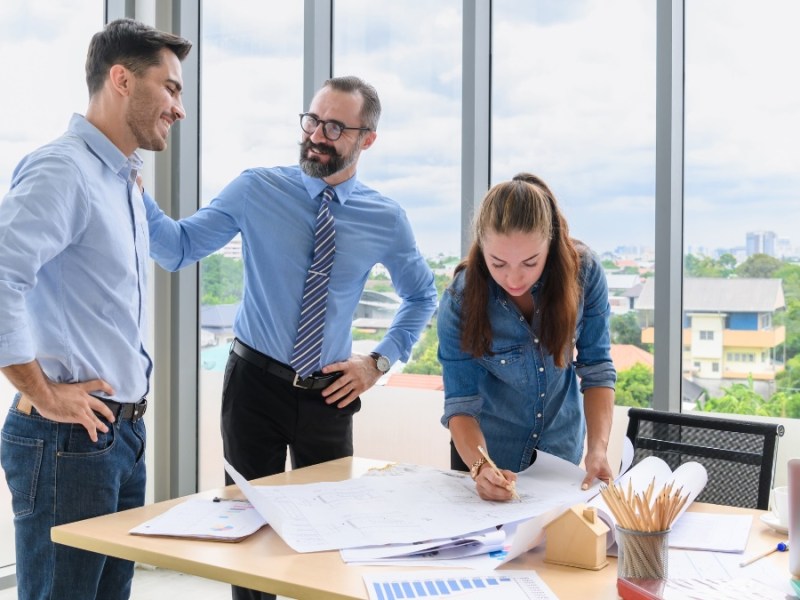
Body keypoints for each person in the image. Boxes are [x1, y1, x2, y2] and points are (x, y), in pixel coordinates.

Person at [144, 75, 437, 600]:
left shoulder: (385, 218)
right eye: (311, 120)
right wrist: (134, 191)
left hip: (329, 393)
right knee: (246, 535)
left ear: (366, 139)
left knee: (327, 539)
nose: (315, 136)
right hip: (253, 385)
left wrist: (378, 362)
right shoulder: (257, 188)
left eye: (333, 127)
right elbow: (177, 249)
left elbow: (421, 297)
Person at [0, 19, 191, 600]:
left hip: (118, 436)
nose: (180, 109)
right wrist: (44, 389)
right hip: (68, 443)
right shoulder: (64, 169)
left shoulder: (125, 180)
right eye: (172, 87)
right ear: (121, 80)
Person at [437, 173, 616, 502]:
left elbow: (598, 368)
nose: (514, 277)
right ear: (481, 247)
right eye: (498, 263)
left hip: (561, 454)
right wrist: (480, 467)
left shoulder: (585, 273)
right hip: (487, 454)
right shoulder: (460, 300)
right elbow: (460, 404)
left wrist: (598, 450)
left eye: (530, 262)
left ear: (550, 242)